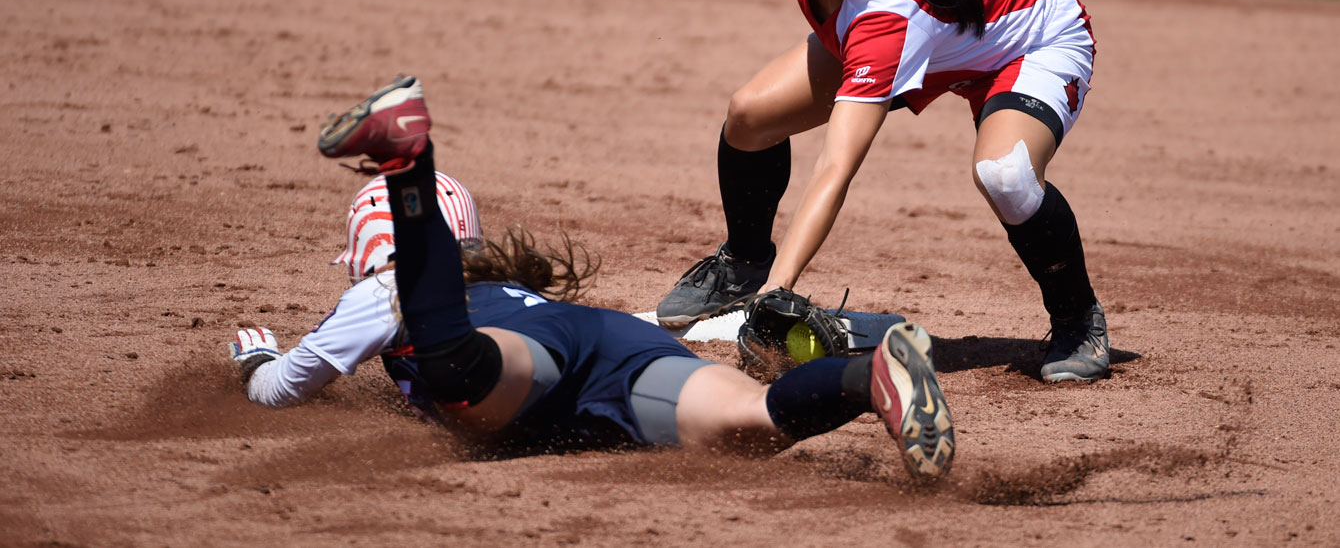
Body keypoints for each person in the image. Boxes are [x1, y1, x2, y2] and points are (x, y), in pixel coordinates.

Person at [228, 76, 955, 478]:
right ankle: (869, 378)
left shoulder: (381, 290)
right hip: (604, 351)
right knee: (753, 426)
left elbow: (280, 390)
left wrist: (259, 360)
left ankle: (405, 159)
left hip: (526, 358)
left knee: (455, 370)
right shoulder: (507, 284)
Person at [653, 0, 1109, 383]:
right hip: (945, 29)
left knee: (1005, 174)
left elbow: (836, 167)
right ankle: (744, 263)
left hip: (1033, 40)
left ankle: (1077, 319)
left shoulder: (884, 16)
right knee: (751, 115)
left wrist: (783, 292)